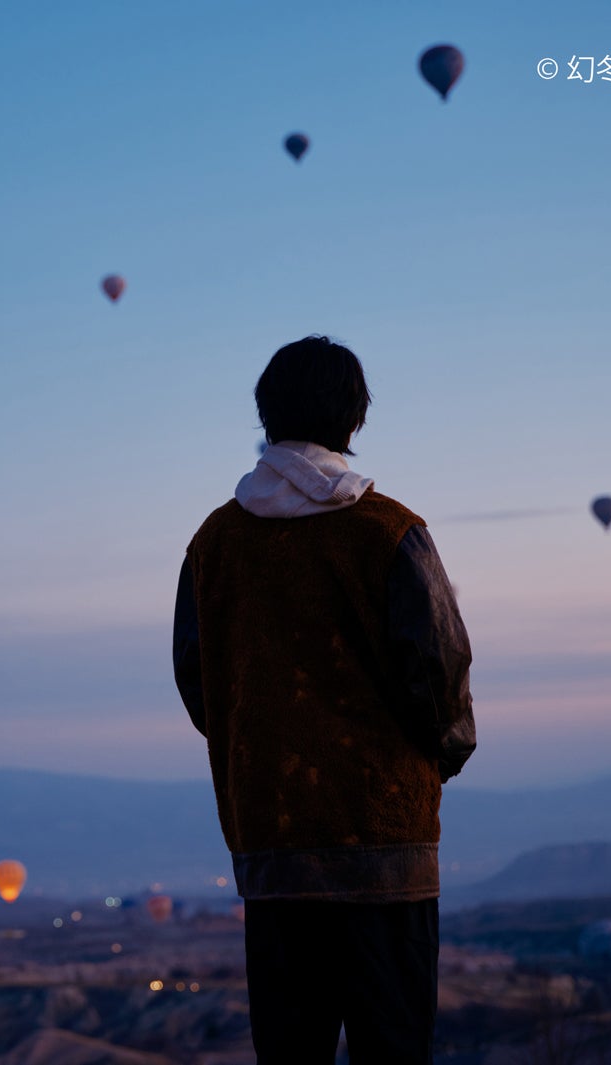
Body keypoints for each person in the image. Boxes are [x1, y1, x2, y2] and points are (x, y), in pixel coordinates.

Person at [172, 335, 475, 1064]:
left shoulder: (214, 543)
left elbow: (197, 679)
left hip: (273, 848)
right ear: (354, 421)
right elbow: (440, 669)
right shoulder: (390, 531)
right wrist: (437, 757)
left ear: (265, 415)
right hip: (387, 852)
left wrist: (257, 747)